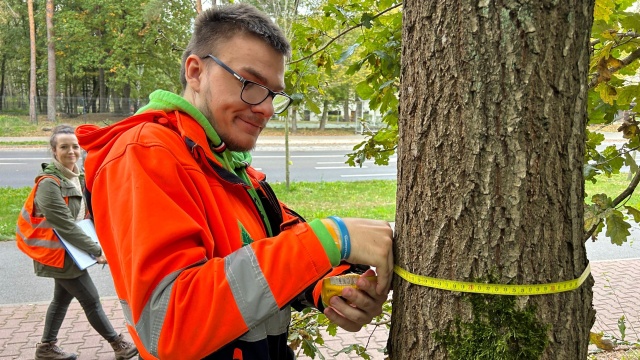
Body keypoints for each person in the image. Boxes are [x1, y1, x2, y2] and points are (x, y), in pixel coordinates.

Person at [75, 3, 393, 359]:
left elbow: (264, 253)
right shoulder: (144, 153)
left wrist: (324, 286)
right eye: (251, 84)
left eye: (274, 93)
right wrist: (331, 239)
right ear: (195, 72)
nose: (267, 108)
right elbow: (171, 323)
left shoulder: (224, 161)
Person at [15, 124, 139, 360]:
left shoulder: (75, 177)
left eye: (75, 146)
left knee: (60, 300)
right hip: (57, 255)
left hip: (70, 252)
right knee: (91, 300)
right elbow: (66, 226)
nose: (71, 151)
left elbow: (86, 214)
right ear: (54, 151)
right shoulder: (48, 184)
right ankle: (119, 345)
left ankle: (46, 348)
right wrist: (96, 250)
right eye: (64, 147)